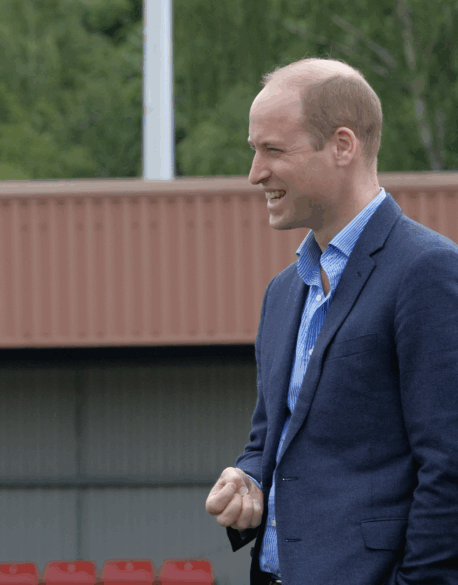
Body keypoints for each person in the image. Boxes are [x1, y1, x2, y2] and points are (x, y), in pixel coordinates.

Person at [205, 58, 458, 584]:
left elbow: (450, 464)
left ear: (343, 146)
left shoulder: (427, 271)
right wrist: (248, 477)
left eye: (273, 150)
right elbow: (269, 440)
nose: (255, 173)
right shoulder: (283, 292)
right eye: (254, 151)